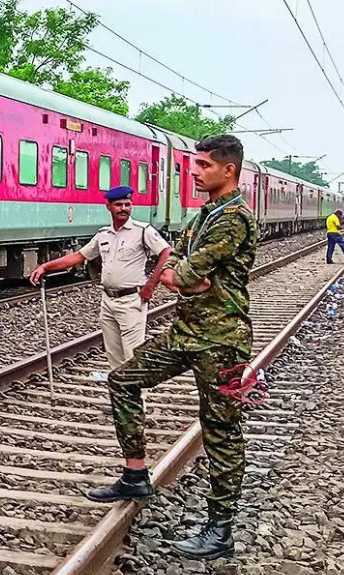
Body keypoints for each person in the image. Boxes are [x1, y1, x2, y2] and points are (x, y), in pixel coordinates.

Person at [86, 134, 257, 561]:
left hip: (222, 340)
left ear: (227, 169)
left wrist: (183, 275)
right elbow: (174, 267)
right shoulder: (204, 216)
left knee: (219, 429)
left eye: (202, 166)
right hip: (185, 333)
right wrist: (183, 275)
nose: (194, 172)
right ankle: (135, 473)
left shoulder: (233, 218)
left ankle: (220, 528)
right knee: (122, 380)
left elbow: (182, 276)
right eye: (195, 164)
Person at [30, 186, 172, 375]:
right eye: (119, 205)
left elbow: (166, 252)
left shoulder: (142, 230)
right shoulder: (103, 235)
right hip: (108, 301)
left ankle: (137, 402)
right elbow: (78, 257)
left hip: (132, 301)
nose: (123, 208)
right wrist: (45, 267)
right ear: (109, 207)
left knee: (133, 357)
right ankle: (118, 400)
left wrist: (151, 286)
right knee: (114, 356)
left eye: (127, 205)